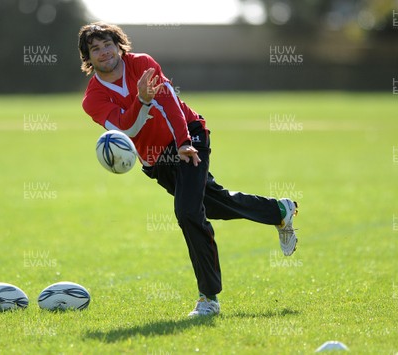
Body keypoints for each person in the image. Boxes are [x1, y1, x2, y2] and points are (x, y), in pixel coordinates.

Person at [78, 22, 299, 317]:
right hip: (156, 162)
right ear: (88, 59)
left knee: (188, 212)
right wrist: (142, 99)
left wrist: (184, 141)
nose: (103, 52)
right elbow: (127, 128)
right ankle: (278, 211)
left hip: (189, 136)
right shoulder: (92, 98)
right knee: (213, 204)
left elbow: (170, 103)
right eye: (95, 49)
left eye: (107, 44)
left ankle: (209, 299)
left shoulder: (142, 64)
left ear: (119, 45)